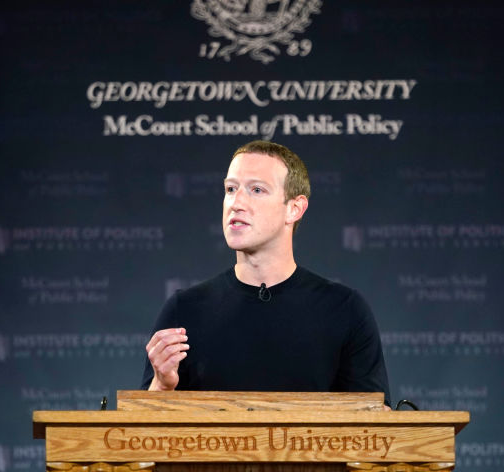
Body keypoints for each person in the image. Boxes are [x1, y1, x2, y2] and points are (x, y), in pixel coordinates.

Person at [141, 140, 391, 405]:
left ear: (294, 208)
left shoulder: (345, 310)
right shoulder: (184, 311)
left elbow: (375, 432)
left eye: (256, 190)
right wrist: (162, 386)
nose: (236, 202)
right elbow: (138, 439)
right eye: (230, 189)